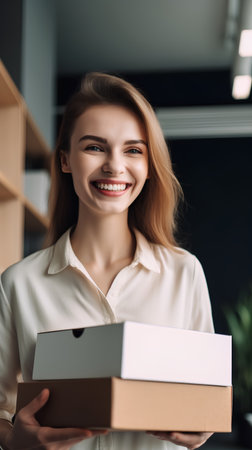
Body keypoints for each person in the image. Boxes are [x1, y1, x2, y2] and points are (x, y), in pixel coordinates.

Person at [0, 72, 214, 450]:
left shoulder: (185, 273)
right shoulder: (18, 283)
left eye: (133, 150)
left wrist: (204, 425)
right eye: (95, 147)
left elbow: (208, 397)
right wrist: (14, 439)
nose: (115, 166)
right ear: (65, 160)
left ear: (149, 165)